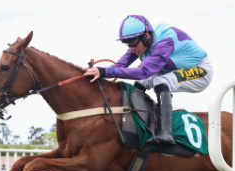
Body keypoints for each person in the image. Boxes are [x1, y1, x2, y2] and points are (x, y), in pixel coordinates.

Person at [85, 15, 211, 146]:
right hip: (172, 69)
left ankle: (166, 133)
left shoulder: (165, 41)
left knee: (161, 82)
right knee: (141, 83)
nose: (131, 48)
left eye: (133, 42)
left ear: (147, 35)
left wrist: (105, 71)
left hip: (201, 70)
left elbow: (143, 72)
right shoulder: (141, 40)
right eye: (127, 43)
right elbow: (119, 66)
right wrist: (98, 73)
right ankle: (138, 122)